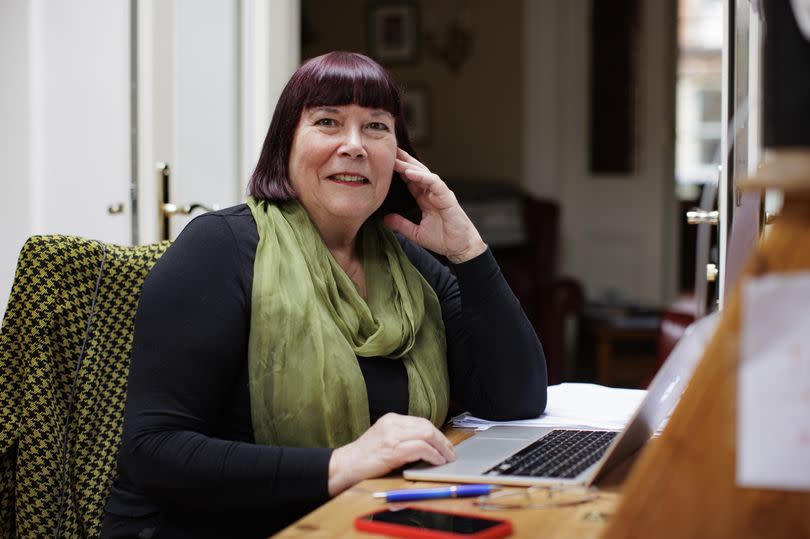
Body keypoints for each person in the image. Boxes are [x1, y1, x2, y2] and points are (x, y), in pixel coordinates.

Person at [101, 51, 547, 539]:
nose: (353, 145)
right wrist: (342, 464)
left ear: (399, 157)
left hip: (362, 518)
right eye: (327, 122)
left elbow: (516, 399)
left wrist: (469, 251)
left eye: (376, 126)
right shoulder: (220, 248)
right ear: (284, 145)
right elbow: (153, 451)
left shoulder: (405, 264)